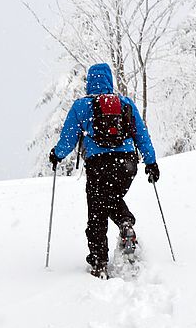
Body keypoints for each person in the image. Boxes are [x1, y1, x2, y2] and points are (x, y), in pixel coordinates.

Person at [48, 63, 160, 278]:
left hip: (99, 164)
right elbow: (142, 135)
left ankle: (99, 262)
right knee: (111, 198)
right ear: (110, 81)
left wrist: (57, 154)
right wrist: (151, 162)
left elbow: (68, 138)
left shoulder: (82, 106)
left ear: (90, 82)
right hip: (127, 164)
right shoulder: (125, 104)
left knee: (97, 212)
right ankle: (126, 224)